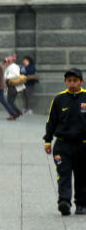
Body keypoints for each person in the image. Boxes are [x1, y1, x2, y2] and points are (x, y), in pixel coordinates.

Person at [44, 68, 86, 215]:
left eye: (75, 81)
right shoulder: (59, 99)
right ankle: (64, 202)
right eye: (69, 81)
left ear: (81, 81)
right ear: (65, 82)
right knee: (64, 174)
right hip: (62, 145)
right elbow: (51, 121)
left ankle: (81, 204)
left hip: (83, 145)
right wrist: (48, 140)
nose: (72, 83)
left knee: (82, 175)